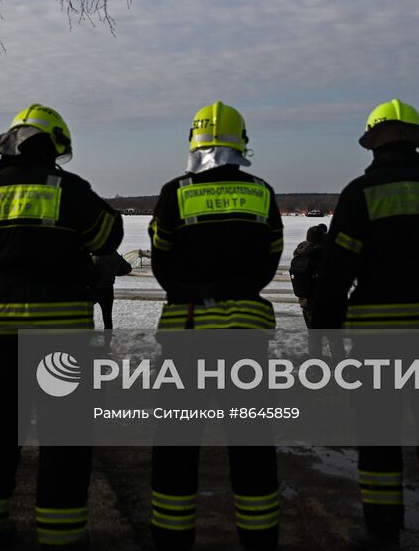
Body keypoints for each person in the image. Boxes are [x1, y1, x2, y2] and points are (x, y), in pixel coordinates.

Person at [310, 99, 419, 551]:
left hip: (377, 336)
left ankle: (382, 530)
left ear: (373, 143)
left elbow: (336, 270)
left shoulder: (360, 192)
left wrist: (322, 335)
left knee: (379, 438)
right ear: (417, 141)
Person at [0, 105, 123, 547]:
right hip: (62, 331)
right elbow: (107, 235)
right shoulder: (68, 188)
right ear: (52, 146)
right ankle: (60, 533)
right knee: (64, 439)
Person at [147, 102, 284, 551]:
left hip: (186, 334)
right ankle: (260, 537)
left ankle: (171, 537)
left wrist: (191, 288)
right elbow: (270, 259)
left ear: (195, 140)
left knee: (176, 446)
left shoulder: (175, 192)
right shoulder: (261, 192)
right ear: (240, 141)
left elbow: (162, 263)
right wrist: (237, 287)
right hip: (245, 333)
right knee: (251, 444)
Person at [288, 223, 329, 327]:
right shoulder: (320, 254)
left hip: (305, 301)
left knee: (313, 335)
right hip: (323, 301)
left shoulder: (299, 252)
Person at [92, 251, 133, 330]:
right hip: (108, 289)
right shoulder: (115, 255)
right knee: (107, 317)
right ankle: (107, 340)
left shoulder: (96, 254)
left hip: (94, 289)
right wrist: (115, 273)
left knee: (85, 312)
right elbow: (128, 268)